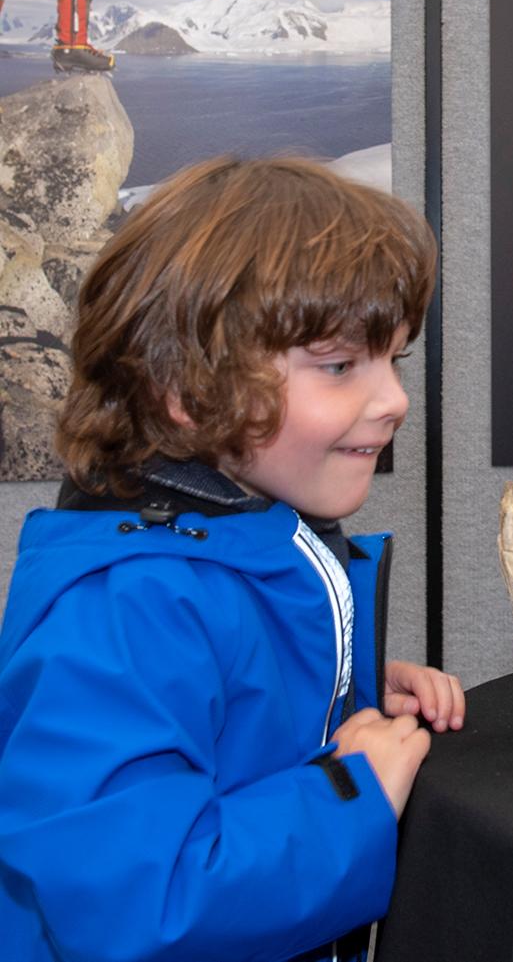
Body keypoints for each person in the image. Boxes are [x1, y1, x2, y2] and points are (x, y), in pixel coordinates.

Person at [0, 155, 464, 962]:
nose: (392, 400)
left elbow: (215, 730)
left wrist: (335, 686)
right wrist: (346, 791)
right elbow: (143, 904)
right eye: (340, 364)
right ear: (186, 389)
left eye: (394, 360)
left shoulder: (221, 547)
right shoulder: (124, 609)